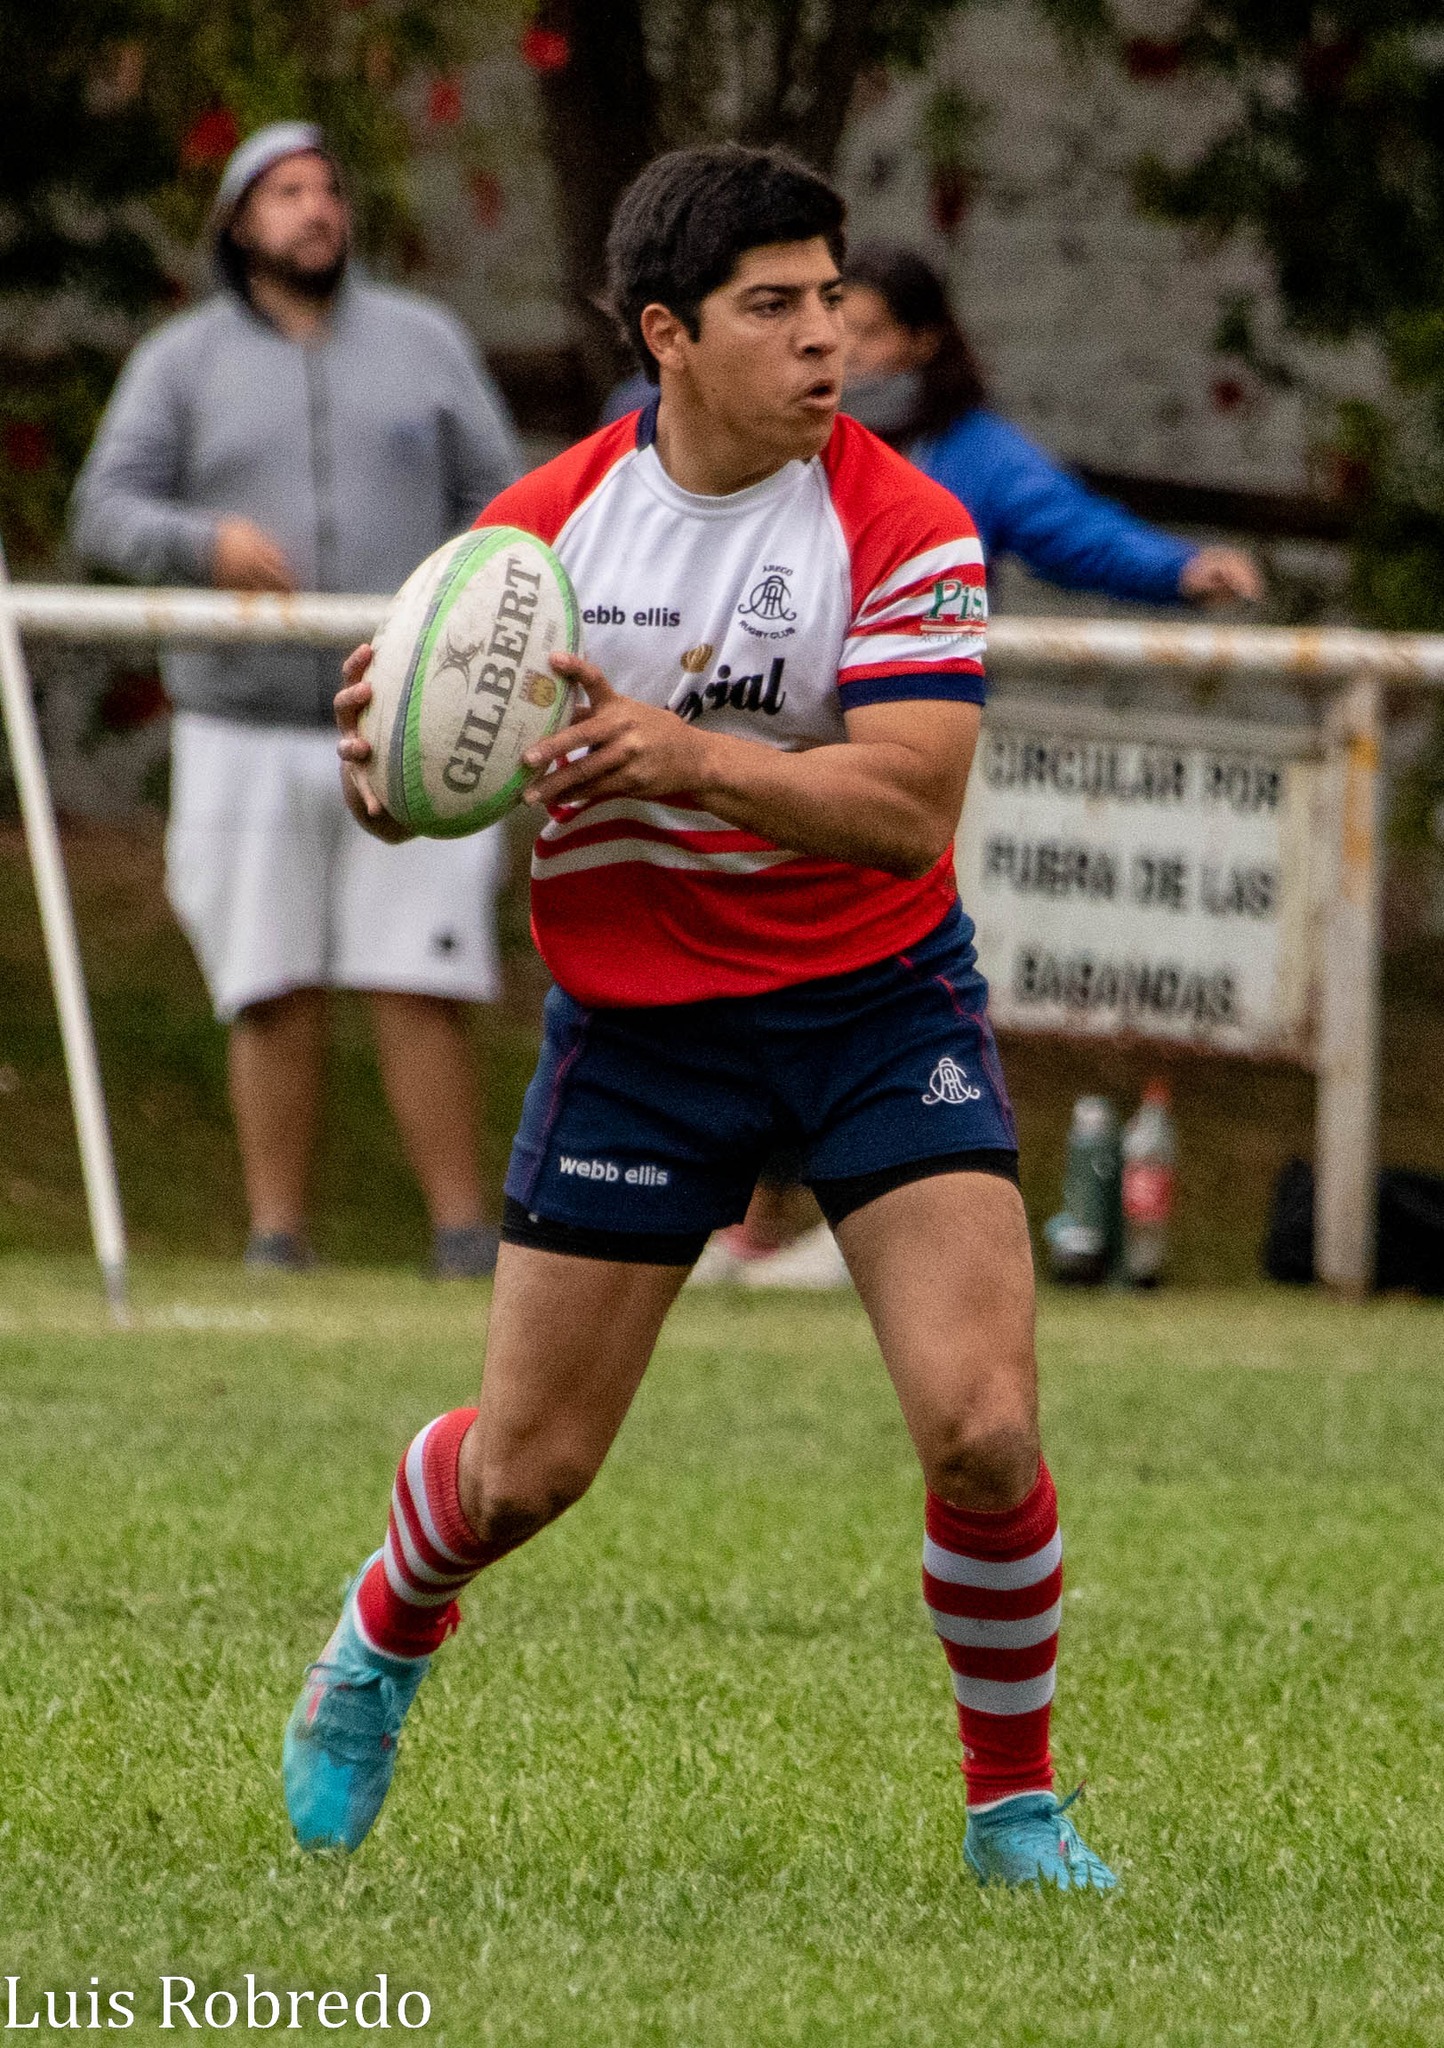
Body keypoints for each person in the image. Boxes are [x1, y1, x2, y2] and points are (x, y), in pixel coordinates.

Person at [282, 143, 1119, 1892]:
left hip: (875, 1007)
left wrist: (688, 757)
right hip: (642, 1032)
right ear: (666, 333)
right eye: (773, 307)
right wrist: (386, 762)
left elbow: (909, 807)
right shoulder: (538, 536)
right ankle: (383, 1632)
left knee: (982, 1427)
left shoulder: (906, 522)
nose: (825, 338)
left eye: (831, 300)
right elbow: (414, 784)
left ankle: (1014, 1810)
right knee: (522, 1474)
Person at [703, 239, 1264, 1288]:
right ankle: (766, 1220)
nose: (840, 349)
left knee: (873, 990)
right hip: (790, 770)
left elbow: (1070, 529)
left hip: (904, 775)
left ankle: (837, 1218)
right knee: (778, 980)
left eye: (868, 331)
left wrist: (1181, 569)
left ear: (923, 341)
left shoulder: (968, 455)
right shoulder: (785, 439)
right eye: (831, 324)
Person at [72, 123, 521, 1276]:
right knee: (267, 981)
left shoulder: (425, 342)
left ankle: (463, 1236)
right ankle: (277, 1237)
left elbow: (505, 498)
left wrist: (451, 602)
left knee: (421, 974)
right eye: (284, 191)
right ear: (238, 223)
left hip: (406, 718)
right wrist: (201, 543)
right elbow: (104, 508)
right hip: (240, 718)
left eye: (327, 188)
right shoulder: (180, 361)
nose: (315, 208)